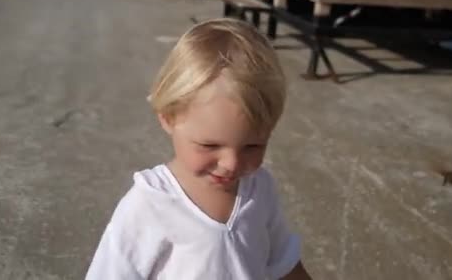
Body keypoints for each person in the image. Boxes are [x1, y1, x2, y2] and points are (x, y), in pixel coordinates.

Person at [85, 18, 312, 279]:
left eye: (253, 145)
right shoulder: (150, 204)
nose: (232, 163)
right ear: (168, 118)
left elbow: (284, 263)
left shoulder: (260, 190)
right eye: (210, 145)